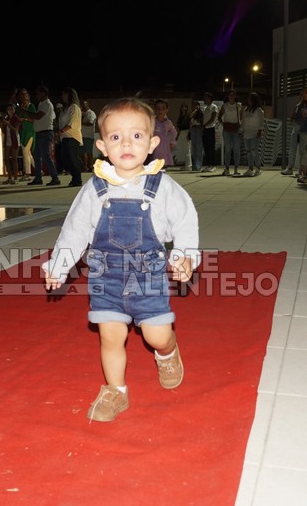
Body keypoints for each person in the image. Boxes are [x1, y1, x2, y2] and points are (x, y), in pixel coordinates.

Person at [43, 98, 200, 422]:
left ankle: (167, 352)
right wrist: (59, 265)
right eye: (116, 137)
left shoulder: (163, 186)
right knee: (110, 336)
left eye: (136, 136)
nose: (126, 144)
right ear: (102, 145)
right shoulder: (95, 189)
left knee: (156, 335)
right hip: (106, 278)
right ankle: (116, 390)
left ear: (152, 143)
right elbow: (75, 230)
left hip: (148, 278)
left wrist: (185, 255)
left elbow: (185, 221)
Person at [17, 85, 60, 186]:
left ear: (44, 93)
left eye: (38, 93)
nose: (36, 96)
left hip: (45, 132)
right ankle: (38, 178)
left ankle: (55, 178)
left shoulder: (47, 104)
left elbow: (38, 116)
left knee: (46, 156)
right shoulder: (41, 104)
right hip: (40, 132)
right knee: (36, 156)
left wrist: (24, 111)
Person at [56, 87, 83, 187]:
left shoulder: (74, 107)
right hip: (65, 137)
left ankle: (77, 179)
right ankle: (75, 177)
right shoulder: (66, 108)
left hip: (72, 136)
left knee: (72, 158)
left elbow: (72, 123)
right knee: (65, 158)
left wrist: (61, 131)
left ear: (69, 95)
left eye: (64, 94)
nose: (62, 96)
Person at [241, 92, 266, 177]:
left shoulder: (259, 110)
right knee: (248, 152)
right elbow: (243, 121)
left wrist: (260, 131)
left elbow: (261, 121)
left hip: (255, 132)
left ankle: (258, 168)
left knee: (254, 150)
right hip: (246, 132)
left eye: (250, 98)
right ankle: (250, 168)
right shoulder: (246, 109)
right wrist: (241, 130)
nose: (248, 99)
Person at [218, 89, 241, 176]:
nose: (231, 97)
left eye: (233, 95)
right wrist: (223, 124)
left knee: (236, 149)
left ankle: (236, 168)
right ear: (227, 96)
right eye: (230, 95)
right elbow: (219, 116)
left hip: (236, 128)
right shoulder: (225, 105)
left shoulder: (238, 105)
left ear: (235, 96)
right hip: (227, 129)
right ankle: (227, 168)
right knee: (227, 149)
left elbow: (241, 117)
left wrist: (241, 126)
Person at [16, 88, 35, 181]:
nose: (23, 96)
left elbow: (34, 119)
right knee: (27, 152)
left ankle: (27, 174)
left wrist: (25, 119)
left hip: (30, 131)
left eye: (25, 94)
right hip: (22, 132)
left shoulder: (31, 106)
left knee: (25, 152)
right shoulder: (19, 108)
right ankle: (39, 169)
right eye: (22, 94)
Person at [152, 99, 177, 168]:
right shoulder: (152, 121)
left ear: (166, 110)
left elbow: (174, 132)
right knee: (155, 164)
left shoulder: (168, 123)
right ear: (155, 110)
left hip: (165, 146)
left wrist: (171, 143)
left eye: (163, 108)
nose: (160, 111)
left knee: (164, 163)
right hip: (155, 146)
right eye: (158, 108)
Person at [2, 103, 21, 184]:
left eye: (12, 109)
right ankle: (9, 177)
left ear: (14, 110)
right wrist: (3, 124)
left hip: (15, 139)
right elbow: (4, 130)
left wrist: (8, 124)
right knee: (6, 158)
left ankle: (16, 178)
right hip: (8, 139)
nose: (11, 111)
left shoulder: (16, 118)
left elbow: (15, 130)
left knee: (14, 158)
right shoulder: (6, 118)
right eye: (9, 109)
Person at [200, 92, 219, 172]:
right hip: (205, 129)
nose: (204, 99)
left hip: (210, 128)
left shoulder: (214, 107)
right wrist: (202, 126)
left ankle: (213, 165)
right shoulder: (205, 108)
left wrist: (204, 125)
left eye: (206, 98)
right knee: (206, 148)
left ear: (210, 99)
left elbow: (212, 118)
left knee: (211, 147)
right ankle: (208, 165)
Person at [80, 99, 96, 172]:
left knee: (89, 152)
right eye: (81, 105)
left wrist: (81, 123)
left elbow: (90, 123)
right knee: (82, 153)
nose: (82, 106)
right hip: (81, 135)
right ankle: (84, 167)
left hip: (88, 136)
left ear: (87, 105)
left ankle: (90, 167)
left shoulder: (91, 113)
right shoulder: (82, 114)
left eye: (84, 105)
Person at [174, 102, 192, 170]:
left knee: (187, 149)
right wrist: (178, 135)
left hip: (186, 132)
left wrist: (189, 134)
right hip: (181, 132)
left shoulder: (188, 115)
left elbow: (190, 125)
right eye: (182, 107)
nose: (184, 108)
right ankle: (186, 165)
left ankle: (189, 166)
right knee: (184, 149)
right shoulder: (181, 116)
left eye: (185, 107)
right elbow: (178, 127)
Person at [189, 100, 204, 172]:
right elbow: (190, 119)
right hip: (193, 128)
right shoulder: (192, 113)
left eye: (196, 105)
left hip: (198, 128)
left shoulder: (200, 113)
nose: (195, 107)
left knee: (198, 147)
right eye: (193, 105)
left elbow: (201, 121)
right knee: (194, 148)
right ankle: (194, 166)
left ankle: (198, 165)